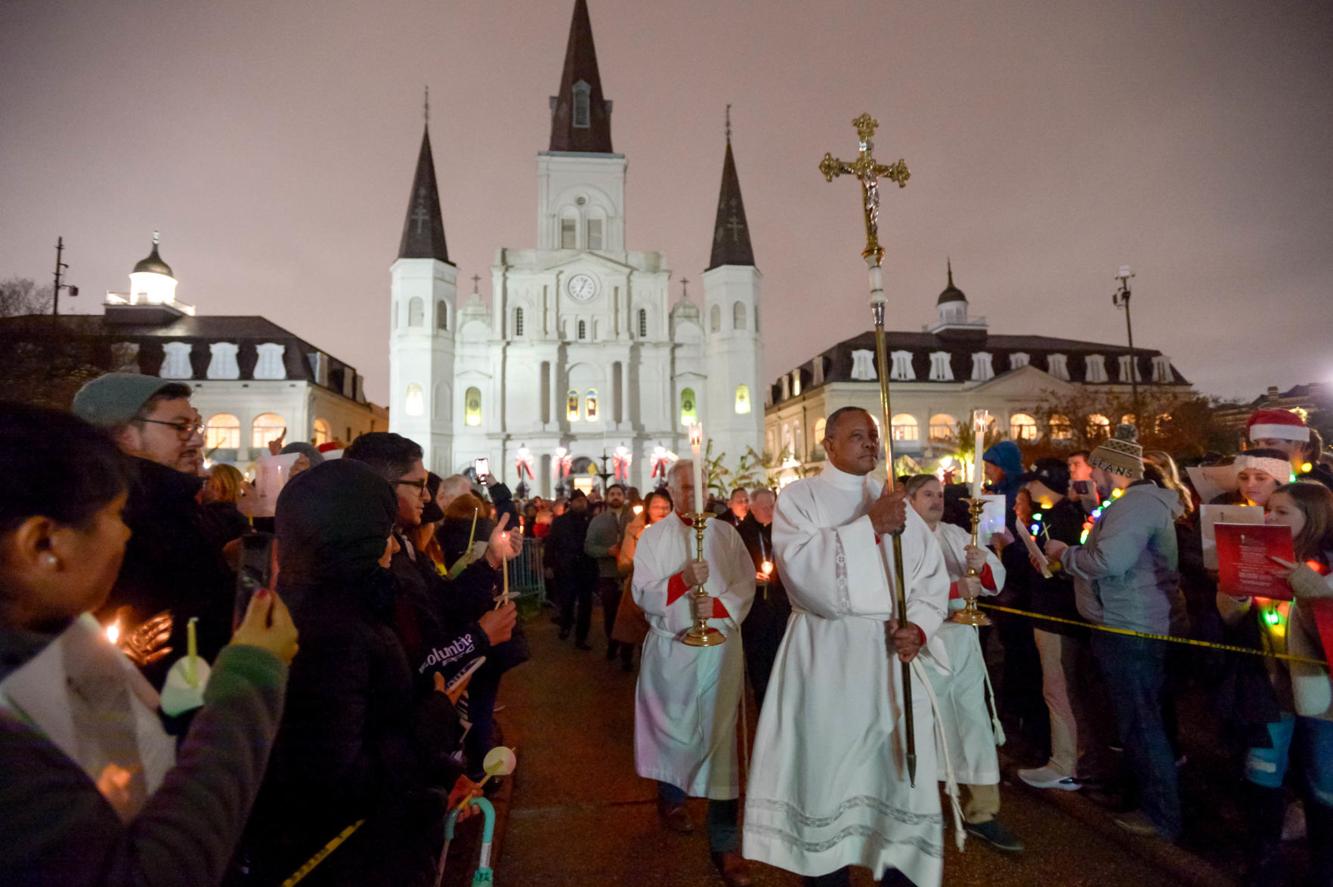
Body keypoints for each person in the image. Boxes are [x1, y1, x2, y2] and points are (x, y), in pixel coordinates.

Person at [0, 403, 296, 887]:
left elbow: (141, 780)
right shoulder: (14, 746)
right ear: (43, 544)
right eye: (116, 515)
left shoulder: (55, 643)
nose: (126, 533)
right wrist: (250, 678)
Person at [744, 407, 950, 887]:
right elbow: (805, 577)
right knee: (829, 782)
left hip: (888, 659)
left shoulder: (894, 500)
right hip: (827, 658)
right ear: (829, 443)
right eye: (857, 435)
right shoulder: (801, 498)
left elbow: (929, 578)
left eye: (874, 436)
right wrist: (869, 527)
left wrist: (917, 627)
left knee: (898, 783)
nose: (869, 444)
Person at [246, 459, 478, 885]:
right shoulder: (333, 632)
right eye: (383, 533)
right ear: (350, 536)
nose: (392, 546)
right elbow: (340, 778)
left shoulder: (348, 605)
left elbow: (377, 725)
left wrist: (441, 771)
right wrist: (438, 715)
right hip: (354, 860)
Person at [344, 433, 520, 782]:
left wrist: (489, 560)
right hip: (396, 754)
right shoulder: (365, 563)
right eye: (419, 486)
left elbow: (441, 602)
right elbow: (415, 658)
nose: (428, 496)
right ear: (383, 488)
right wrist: (479, 637)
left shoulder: (405, 548)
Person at [1045, 424, 1184, 841]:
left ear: (1110, 469)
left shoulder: (1136, 505)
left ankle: (1162, 816)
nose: (1090, 474)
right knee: (1139, 722)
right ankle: (1153, 804)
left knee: (1142, 725)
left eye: (1095, 467)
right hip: (1131, 624)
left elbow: (1110, 560)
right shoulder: (1132, 504)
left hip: (1132, 627)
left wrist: (1064, 554)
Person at [633, 461, 756, 887]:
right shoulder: (654, 537)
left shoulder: (725, 534)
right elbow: (643, 594)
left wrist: (719, 607)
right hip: (673, 655)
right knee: (674, 732)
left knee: (722, 748)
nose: (692, 494)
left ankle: (724, 842)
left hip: (719, 653)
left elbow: (744, 584)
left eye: (698, 486)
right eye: (684, 487)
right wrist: (682, 581)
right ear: (669, 490)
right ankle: (671, 797)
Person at [70, 373, 233, 687]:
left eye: (196, 426)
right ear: (124, 434)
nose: (197, 440)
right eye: (180, 427)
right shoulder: (114, 514)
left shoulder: (173, 504)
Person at [1217, 481, 1333, 886]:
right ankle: (1263, 861)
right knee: (1262, 775)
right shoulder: (1260, 557)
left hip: (1322, 701)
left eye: (1283, 513)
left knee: (1323, 788)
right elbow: (1234, 622)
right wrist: (1233, 595)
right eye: (1270, 510)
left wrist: (1313, 591)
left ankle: (1324, 869)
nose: (1270, 518)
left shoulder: (1328, 567)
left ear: (1313, 518)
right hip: (1267, 692)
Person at [905, 474, 1022, 852]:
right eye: (928, 494)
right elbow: (898, 590)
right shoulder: (898, 539)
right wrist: (954, 590)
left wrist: (981, 566)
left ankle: (982, 812)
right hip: (921, 644)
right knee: (922, 724)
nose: (937, 500)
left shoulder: (957, 534)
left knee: (974, 722)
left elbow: (995, 581)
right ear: (909, 499)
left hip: (962, 643)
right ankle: (916, 807)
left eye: (940, 494)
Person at [1015, 458, 1103, 793]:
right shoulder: (1055, 515)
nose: (1029, 489)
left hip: (1057, 615)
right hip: (1051, 612)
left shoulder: (1062, 517)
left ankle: (1066, 763)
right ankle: (1069, 758)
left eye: (1034, 483)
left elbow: (1066, 565)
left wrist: (1047, 563)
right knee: (1059, 687)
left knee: (1060, 688)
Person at [736, 487, 789, 707]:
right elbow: (734, 568)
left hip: (780, 607)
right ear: (752, 507)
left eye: (772, 506)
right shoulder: (742, 534)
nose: (769, 511)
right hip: (755, 611)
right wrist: (749, 576)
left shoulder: (783, 531)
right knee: (760, 666)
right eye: (764, 507)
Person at [612, 489, 671, 671]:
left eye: (665, 507)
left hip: (667, 586)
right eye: (656, 507)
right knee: (635, 626)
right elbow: (624, 563)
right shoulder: (636, 530)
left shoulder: (676, 531)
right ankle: (628, 659)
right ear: (648, 509)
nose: (661, 511)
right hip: (639, 585)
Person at [586, 483, 632, 665]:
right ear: (607, 497)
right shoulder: (598, 521)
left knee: (628, 615)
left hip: (630, 575)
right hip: (608, 575)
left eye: (618, 494)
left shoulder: (633, 519)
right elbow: (588, 547)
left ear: (624, 497)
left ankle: (627, 655)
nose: (615, 497)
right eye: (612, 493)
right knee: (611, 614)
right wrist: (607, 551)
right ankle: (612, 645)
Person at [549, 490, 597, 648]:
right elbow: (551, 544)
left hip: (586, 567)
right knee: (567, 600)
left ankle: (581, 637)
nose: (581, 503)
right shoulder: (560, 522)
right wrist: (548, 565)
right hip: (566, 567)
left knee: (585, 604)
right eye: (578, 501)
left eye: (583, 501)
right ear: (571, 502)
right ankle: (566, 624)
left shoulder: (591, 520)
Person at [198, 462, 253, 548]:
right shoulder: (241, 515)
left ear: (217, 486)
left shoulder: (210, 515)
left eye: (206, 481)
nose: (201, 486)